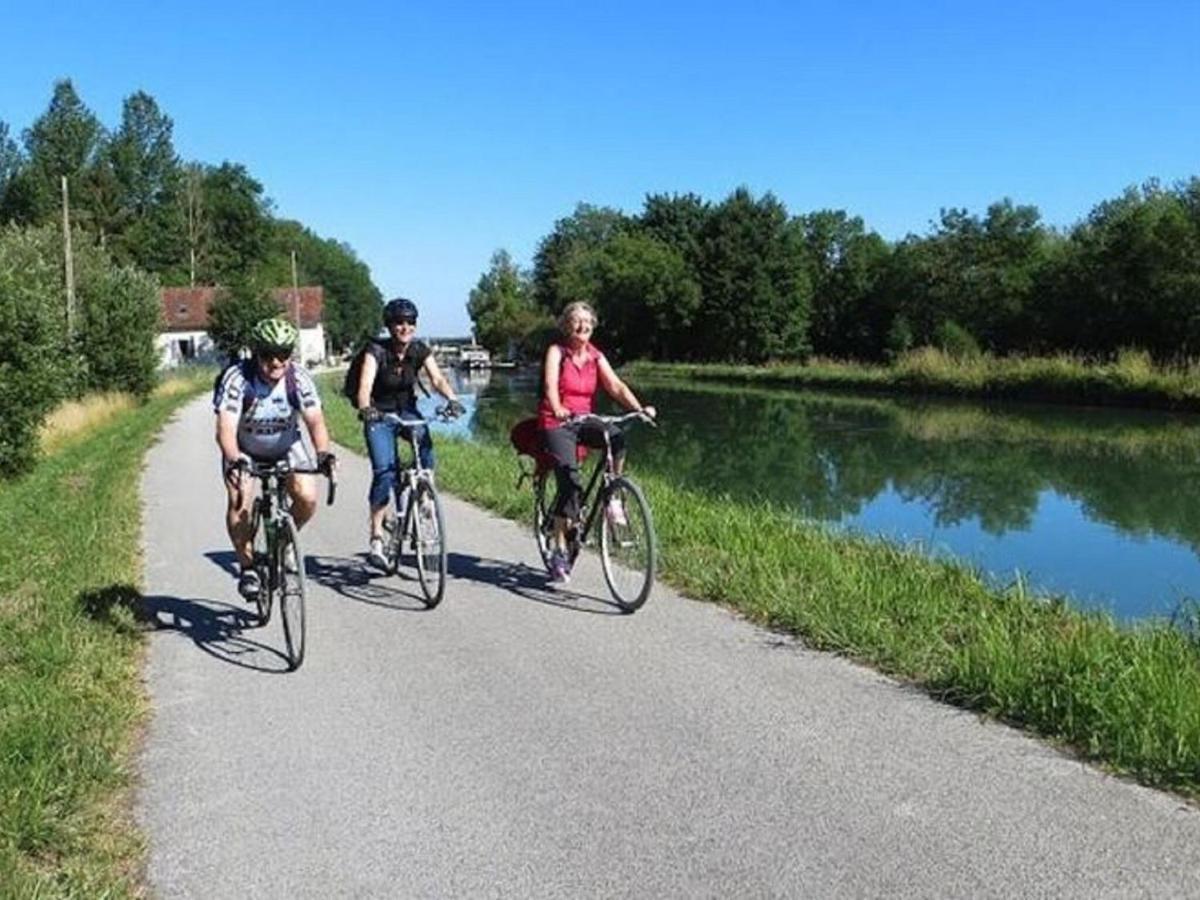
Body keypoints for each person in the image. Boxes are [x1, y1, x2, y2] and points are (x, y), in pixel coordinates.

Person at [214, 317, 336, 600]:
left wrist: (323, 453)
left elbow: (315, 421)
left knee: (307, 497)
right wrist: (234, 459)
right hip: (244, 449)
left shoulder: (298, 379)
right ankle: (248, 568)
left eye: (283, 354)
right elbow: (225, 430)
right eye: (268, 354)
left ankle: (284, 541)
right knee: (240, 499)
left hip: (285, 446)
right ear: (257, 353)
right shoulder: (238, 379)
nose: (276, 362)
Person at [538, 301, 655, 583]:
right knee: (570, 482)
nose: (583, 326)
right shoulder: (558, 352)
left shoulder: (595, 355)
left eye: (588, 322)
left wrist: (639, 409)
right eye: (577, 321)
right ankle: (558, 549)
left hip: (585, 418)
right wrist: (557, 407)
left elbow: (615, 386)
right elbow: (550, 386)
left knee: (616, 437)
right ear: (567, 325)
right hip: (558, 421)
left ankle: (613, 494)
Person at [356, 297, 465, 569]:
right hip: (380, 414)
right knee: (384, 471)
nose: (405, 328)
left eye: (410, 323)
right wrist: (366, 408)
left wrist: (452, 399)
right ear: (389, 326)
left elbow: (437, 379)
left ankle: (423, 496)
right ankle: (377, 536)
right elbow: (364, 386)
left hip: (407, 412)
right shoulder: (376, 351)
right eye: (399, 323)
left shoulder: (419, 350)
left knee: (426, 456)